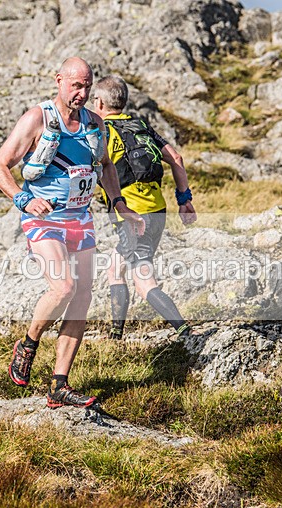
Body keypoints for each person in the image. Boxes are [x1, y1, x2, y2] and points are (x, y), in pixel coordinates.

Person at [0, 57, 145, 409]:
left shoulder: (95, 122)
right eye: (75, 85)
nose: (82, 93)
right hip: (44, 218)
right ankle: (28, 344)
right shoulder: (38, 118)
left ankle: (59, 385)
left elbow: (105, 165)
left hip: (80, 219)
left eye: (87, 86)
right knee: (63, 287)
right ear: (59, 81)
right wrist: (23, 198)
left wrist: (119, 203)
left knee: (82, 299)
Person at [91, 75, 197, 340]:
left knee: (143, 279)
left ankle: (185, 332)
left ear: (99, 103)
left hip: (131, 215)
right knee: (116, 268)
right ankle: (116, 336)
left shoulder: (103, 129)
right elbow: (176, 158)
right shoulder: (140, 126)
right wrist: (184, 201)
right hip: (157, 210)